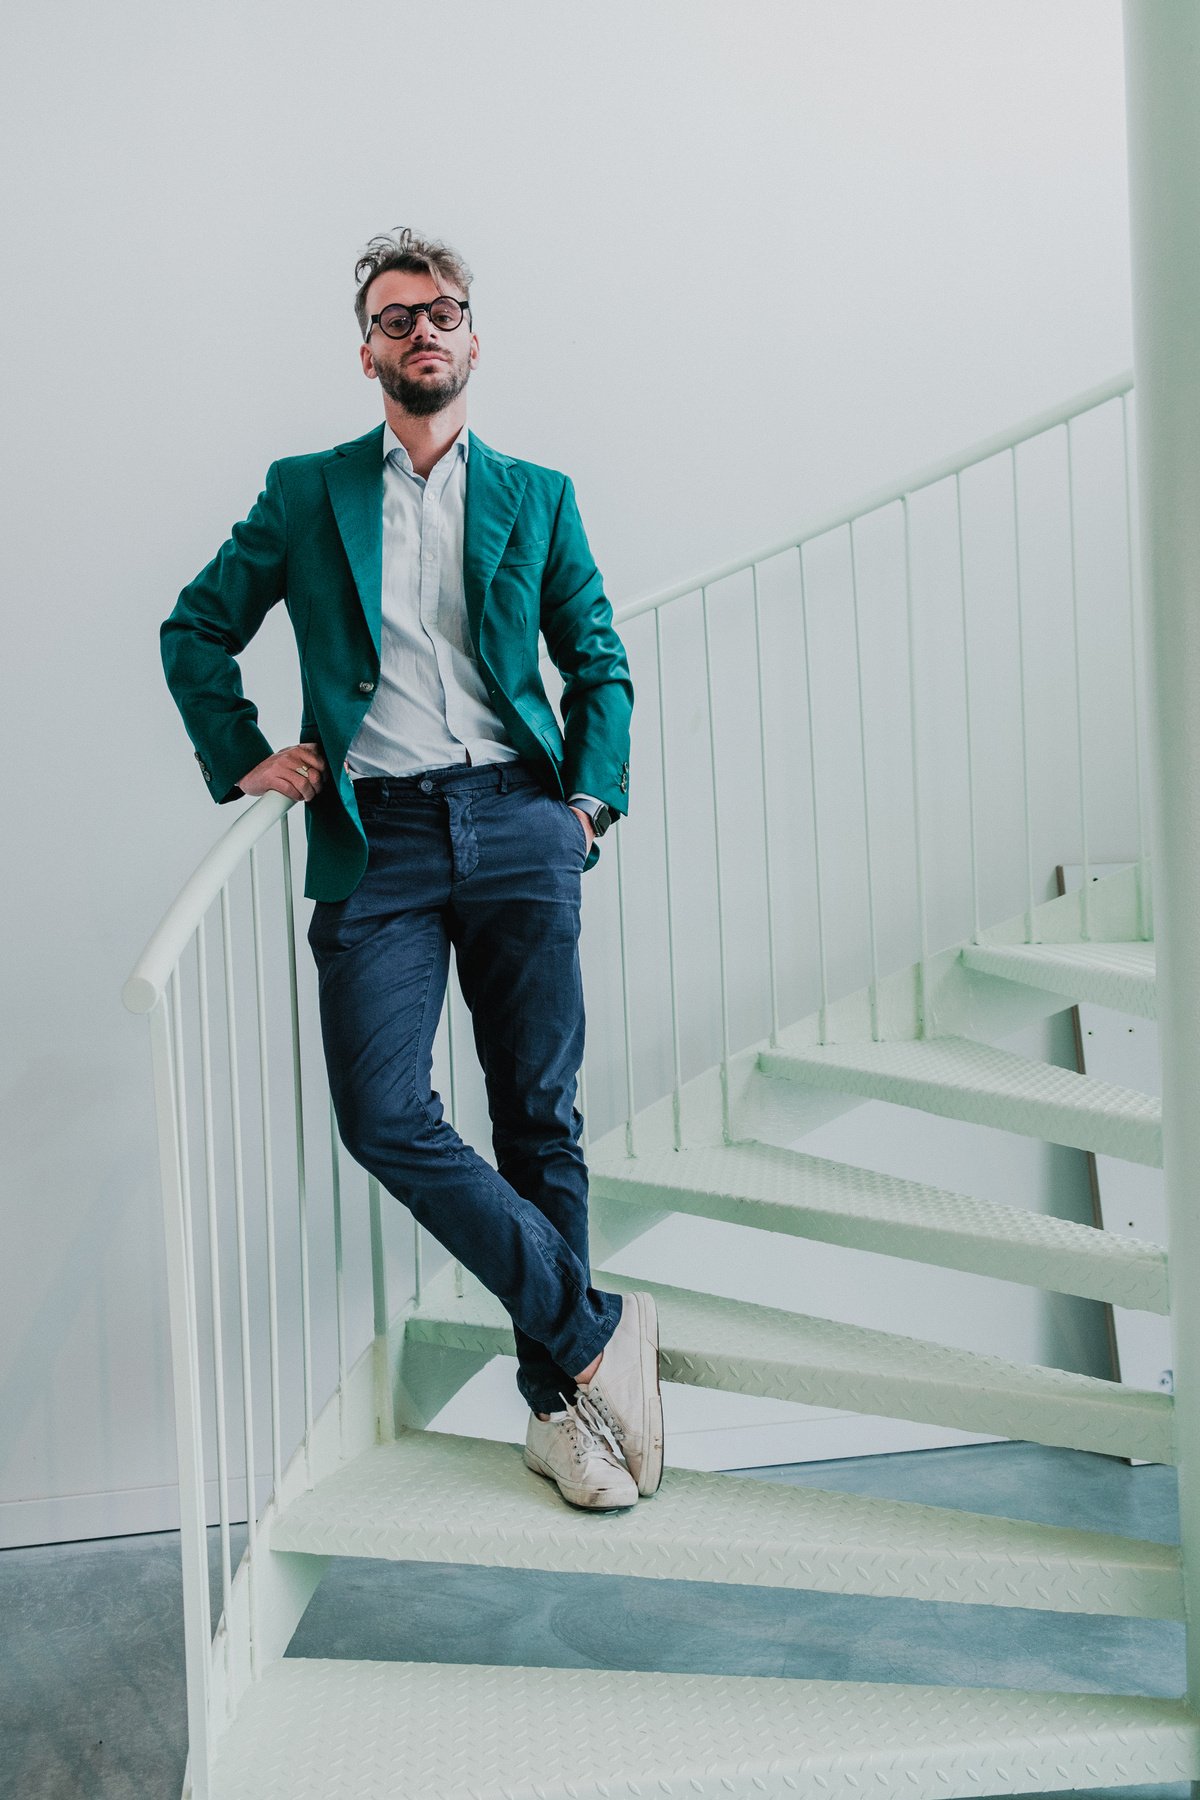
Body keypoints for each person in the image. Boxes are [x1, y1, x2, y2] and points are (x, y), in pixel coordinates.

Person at [160, 228, 662, 1512]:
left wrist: (586, 804)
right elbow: (196, 627)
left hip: (518, 823)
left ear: (473, 337)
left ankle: (565, 1417)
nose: (423, 331)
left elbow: (596, 658)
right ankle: (592, 1326)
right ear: (369, 351)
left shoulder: (535, 494)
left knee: (536, 1115)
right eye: (397, 318)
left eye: (443, 312)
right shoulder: (305, 491)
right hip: (374, 838)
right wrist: (243, 755)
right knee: (386, 1115)